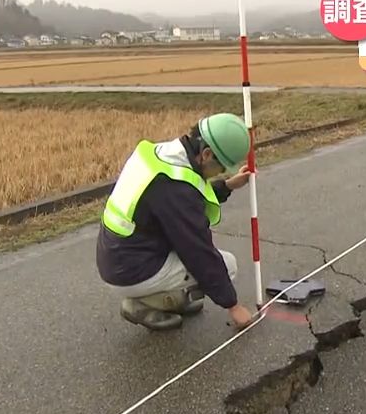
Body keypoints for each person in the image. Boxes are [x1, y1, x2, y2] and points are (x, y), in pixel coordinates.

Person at [96, 112, 258, 332]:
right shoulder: (173, 188)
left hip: (122, 257)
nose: (219, 172)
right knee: (227, 266)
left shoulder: (163, 155)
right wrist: (233, 305)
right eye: (221, 168)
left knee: (209, 265)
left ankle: (170, 298)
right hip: (131, 270)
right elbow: (198, 251)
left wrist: (227, 185)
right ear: (207, 154)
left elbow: (186, 193)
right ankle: (143, 303)